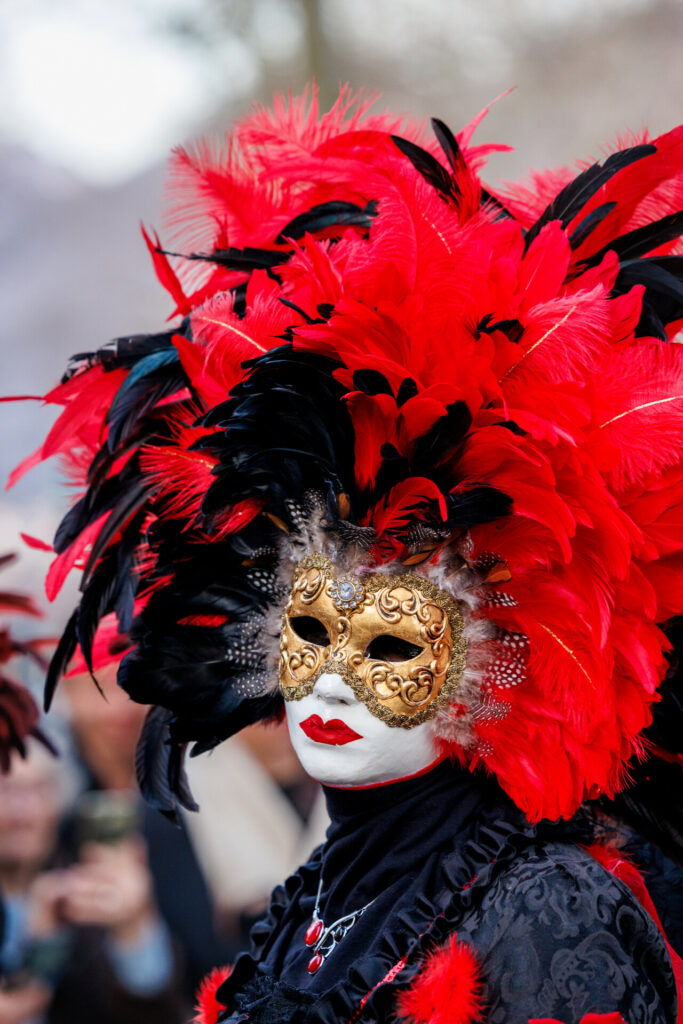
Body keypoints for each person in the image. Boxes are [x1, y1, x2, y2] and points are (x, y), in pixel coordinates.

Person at [13, 87, 683, 1022]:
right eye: (312, 630)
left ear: (493, 671)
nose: (329, 683)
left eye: (392, 646)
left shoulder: (547, 906)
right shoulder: (323, 897)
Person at [0, 743, 185, 1024]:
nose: (23, 815)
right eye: (6, 792)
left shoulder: (81, 890)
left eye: (38, 790)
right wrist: (41, 944)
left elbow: (154, 1010)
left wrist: (134, 926)